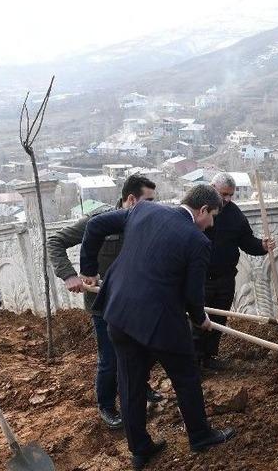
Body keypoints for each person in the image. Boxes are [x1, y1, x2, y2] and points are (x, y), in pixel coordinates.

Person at [79, 185, 235, 470]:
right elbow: (192, 296)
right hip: (159, 321)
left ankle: (140, 449)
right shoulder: (197, 241)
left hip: (119, 314)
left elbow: (95, 225)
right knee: (186, 375)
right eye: (212, 215)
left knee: (130, 381)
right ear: (202, 211)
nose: (211, 223)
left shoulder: (143, 209)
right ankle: (200, 436)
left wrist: (88, 268)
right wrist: (201, 319)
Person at [48, 174, 162, 430]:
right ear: (131, 199)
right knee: (110, 357)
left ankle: (140, 388)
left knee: (144, 349)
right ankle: (107, 406)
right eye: (149, 201)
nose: (154, 206)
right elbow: (55, 241)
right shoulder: (98, 222)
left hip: (138, 302)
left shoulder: (148, 223)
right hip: (105, 304)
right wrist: (69, 275)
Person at [194, 172, 275, 370]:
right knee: (197, 321)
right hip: (201, 279)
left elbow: (246, 241)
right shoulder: (199, 211)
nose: (227, 199)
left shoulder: (234, 214)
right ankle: (194, 362)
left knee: (219, 319)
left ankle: (209, 358)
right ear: (212, 188)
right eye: (224, 194)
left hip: (225, 278)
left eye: (231, 195)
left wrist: (262, 246)